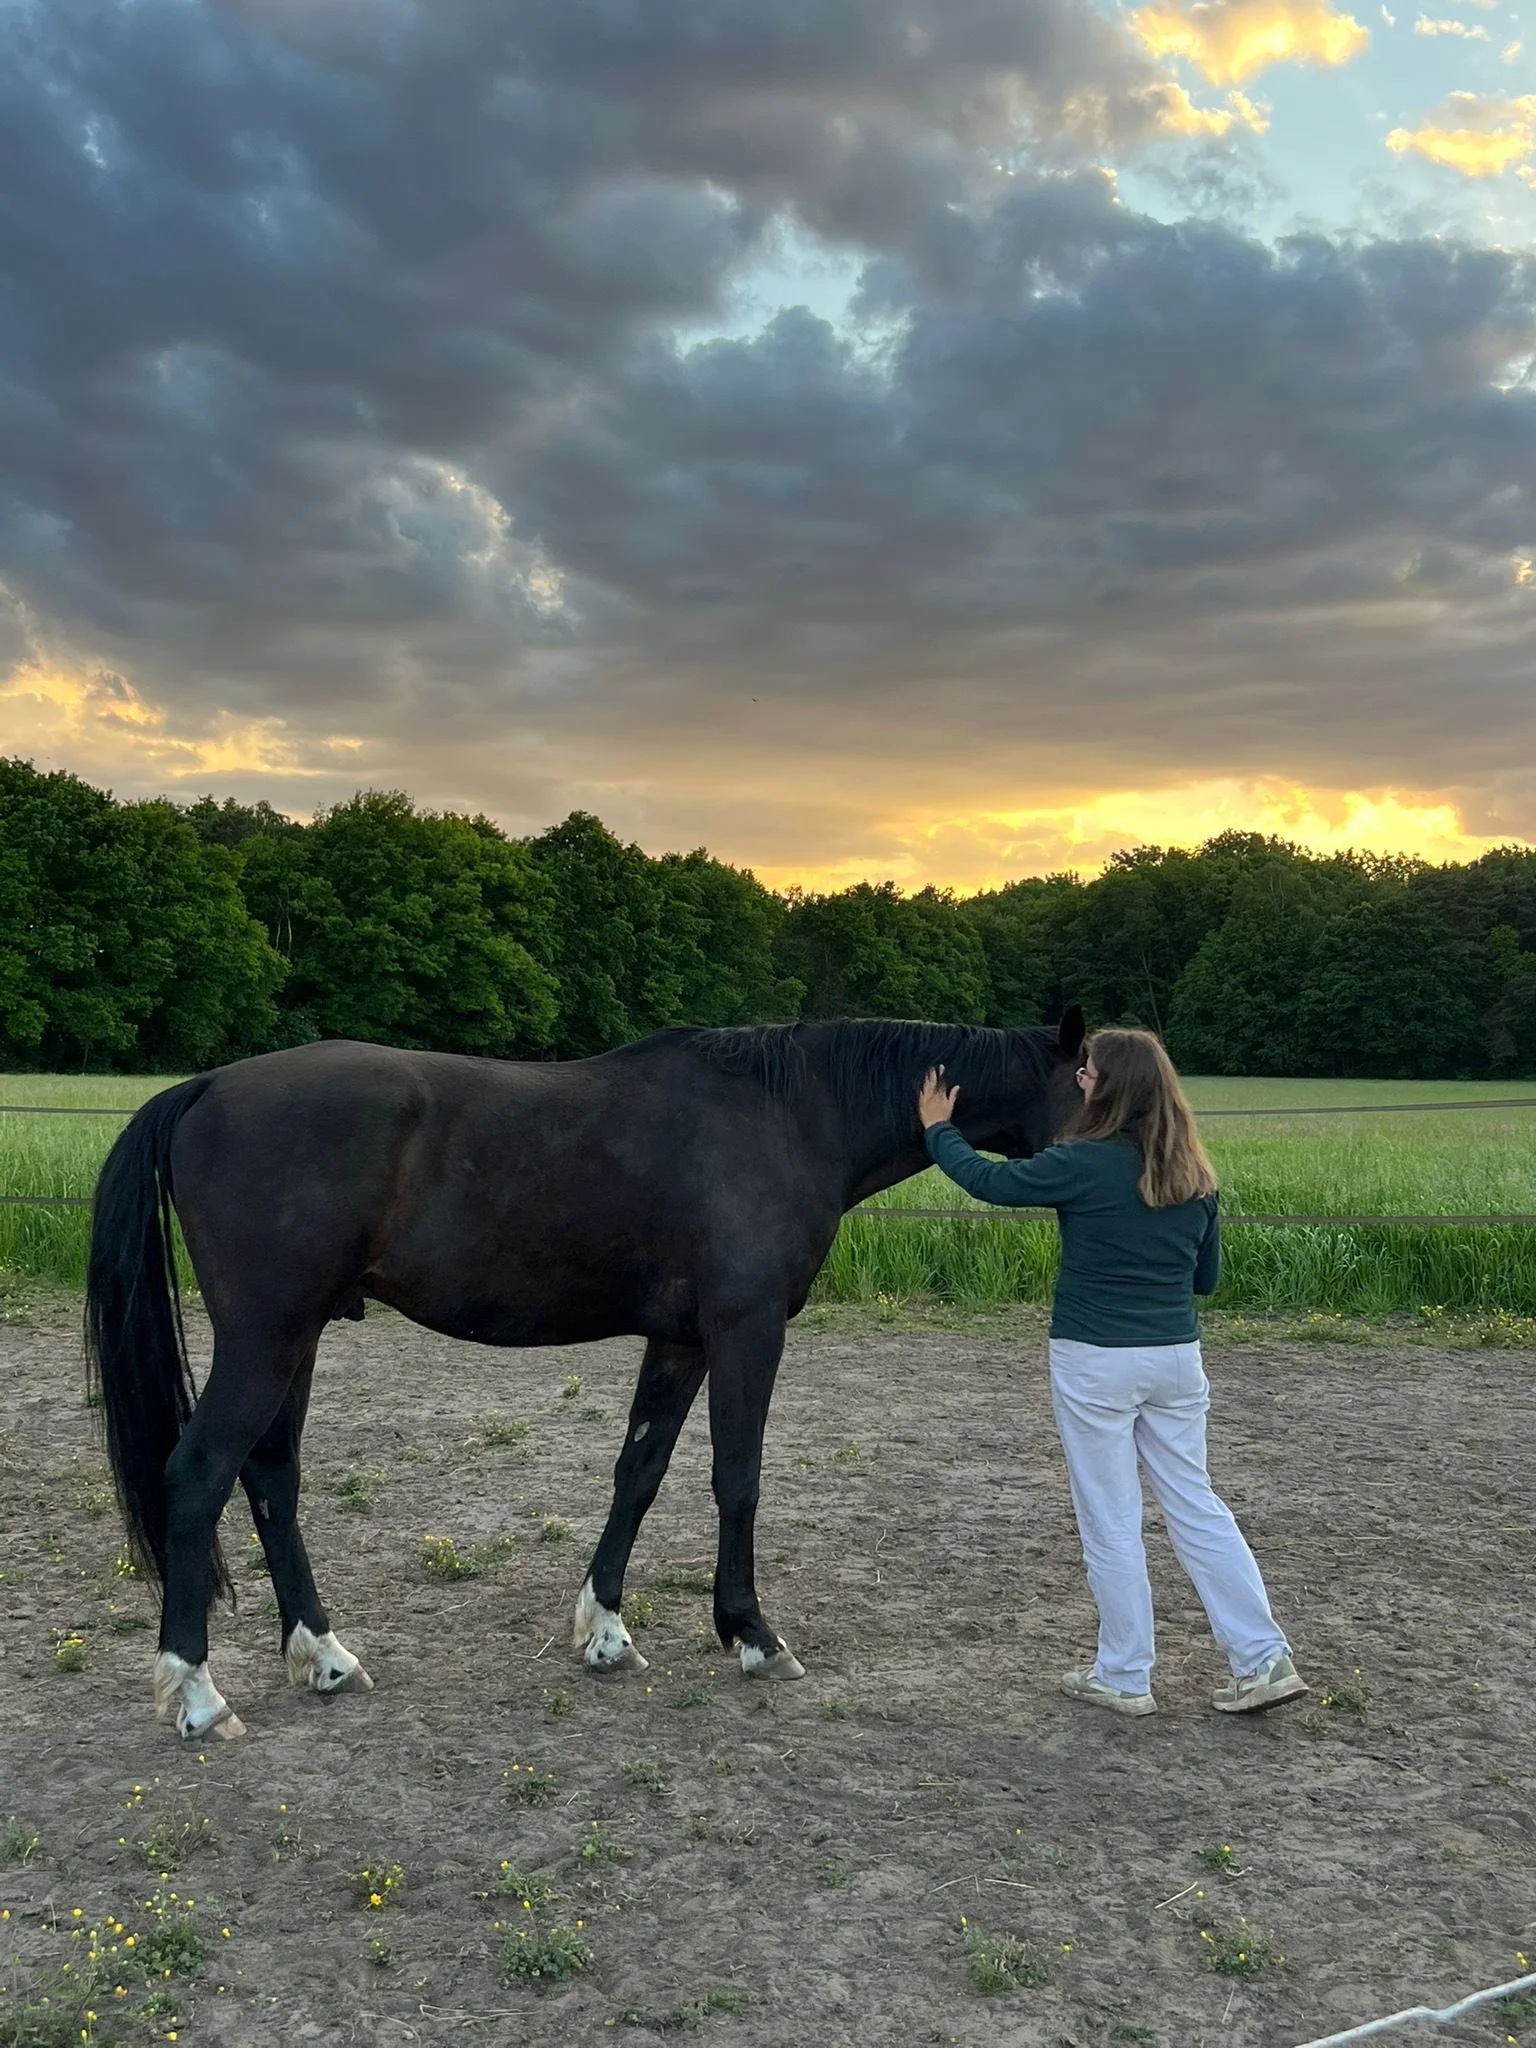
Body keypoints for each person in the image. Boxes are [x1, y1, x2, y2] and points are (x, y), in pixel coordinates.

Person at [917, 1028, 1306, 1718]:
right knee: (1197, 1507)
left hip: (1096, 1358)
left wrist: (938, 1129)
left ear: (1113, 1088)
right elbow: (1205, 1280)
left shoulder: (1080, 1161)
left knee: (1111, 1518)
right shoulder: (1196, 1176)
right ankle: (1262, 1657)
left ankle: (1125, 1674)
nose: (1080, 1080)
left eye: (1089, 1072)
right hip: (1176, 1359)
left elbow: (989, 1181)